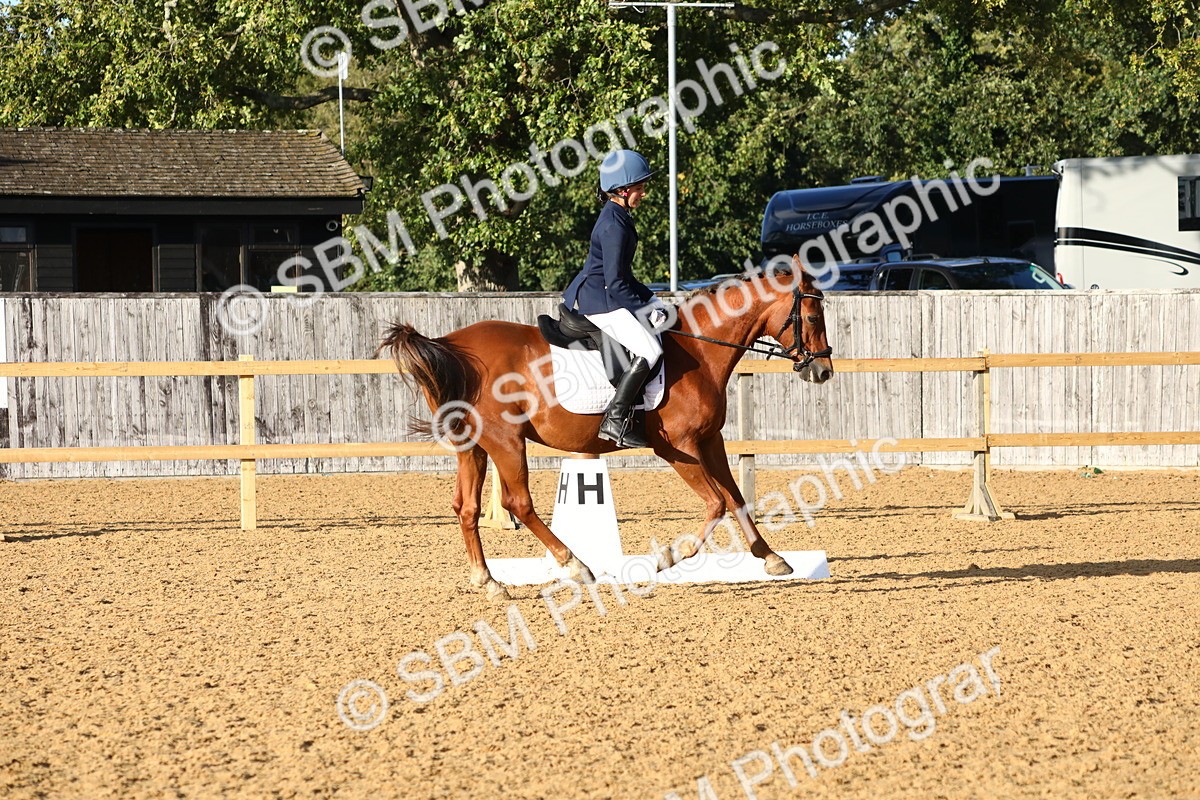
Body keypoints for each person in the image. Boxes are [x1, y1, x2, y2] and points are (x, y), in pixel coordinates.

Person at [562, 149, 669, 449]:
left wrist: (653, 300)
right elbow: (616, 283)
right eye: (639, 188)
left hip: (605, 293)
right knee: (649, 350)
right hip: (600, 301)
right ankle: (615, 418)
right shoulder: (613, 224)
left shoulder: (618, 216)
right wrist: (645, 311)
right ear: (622, 190)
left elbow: (625, 274)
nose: (643, 193)